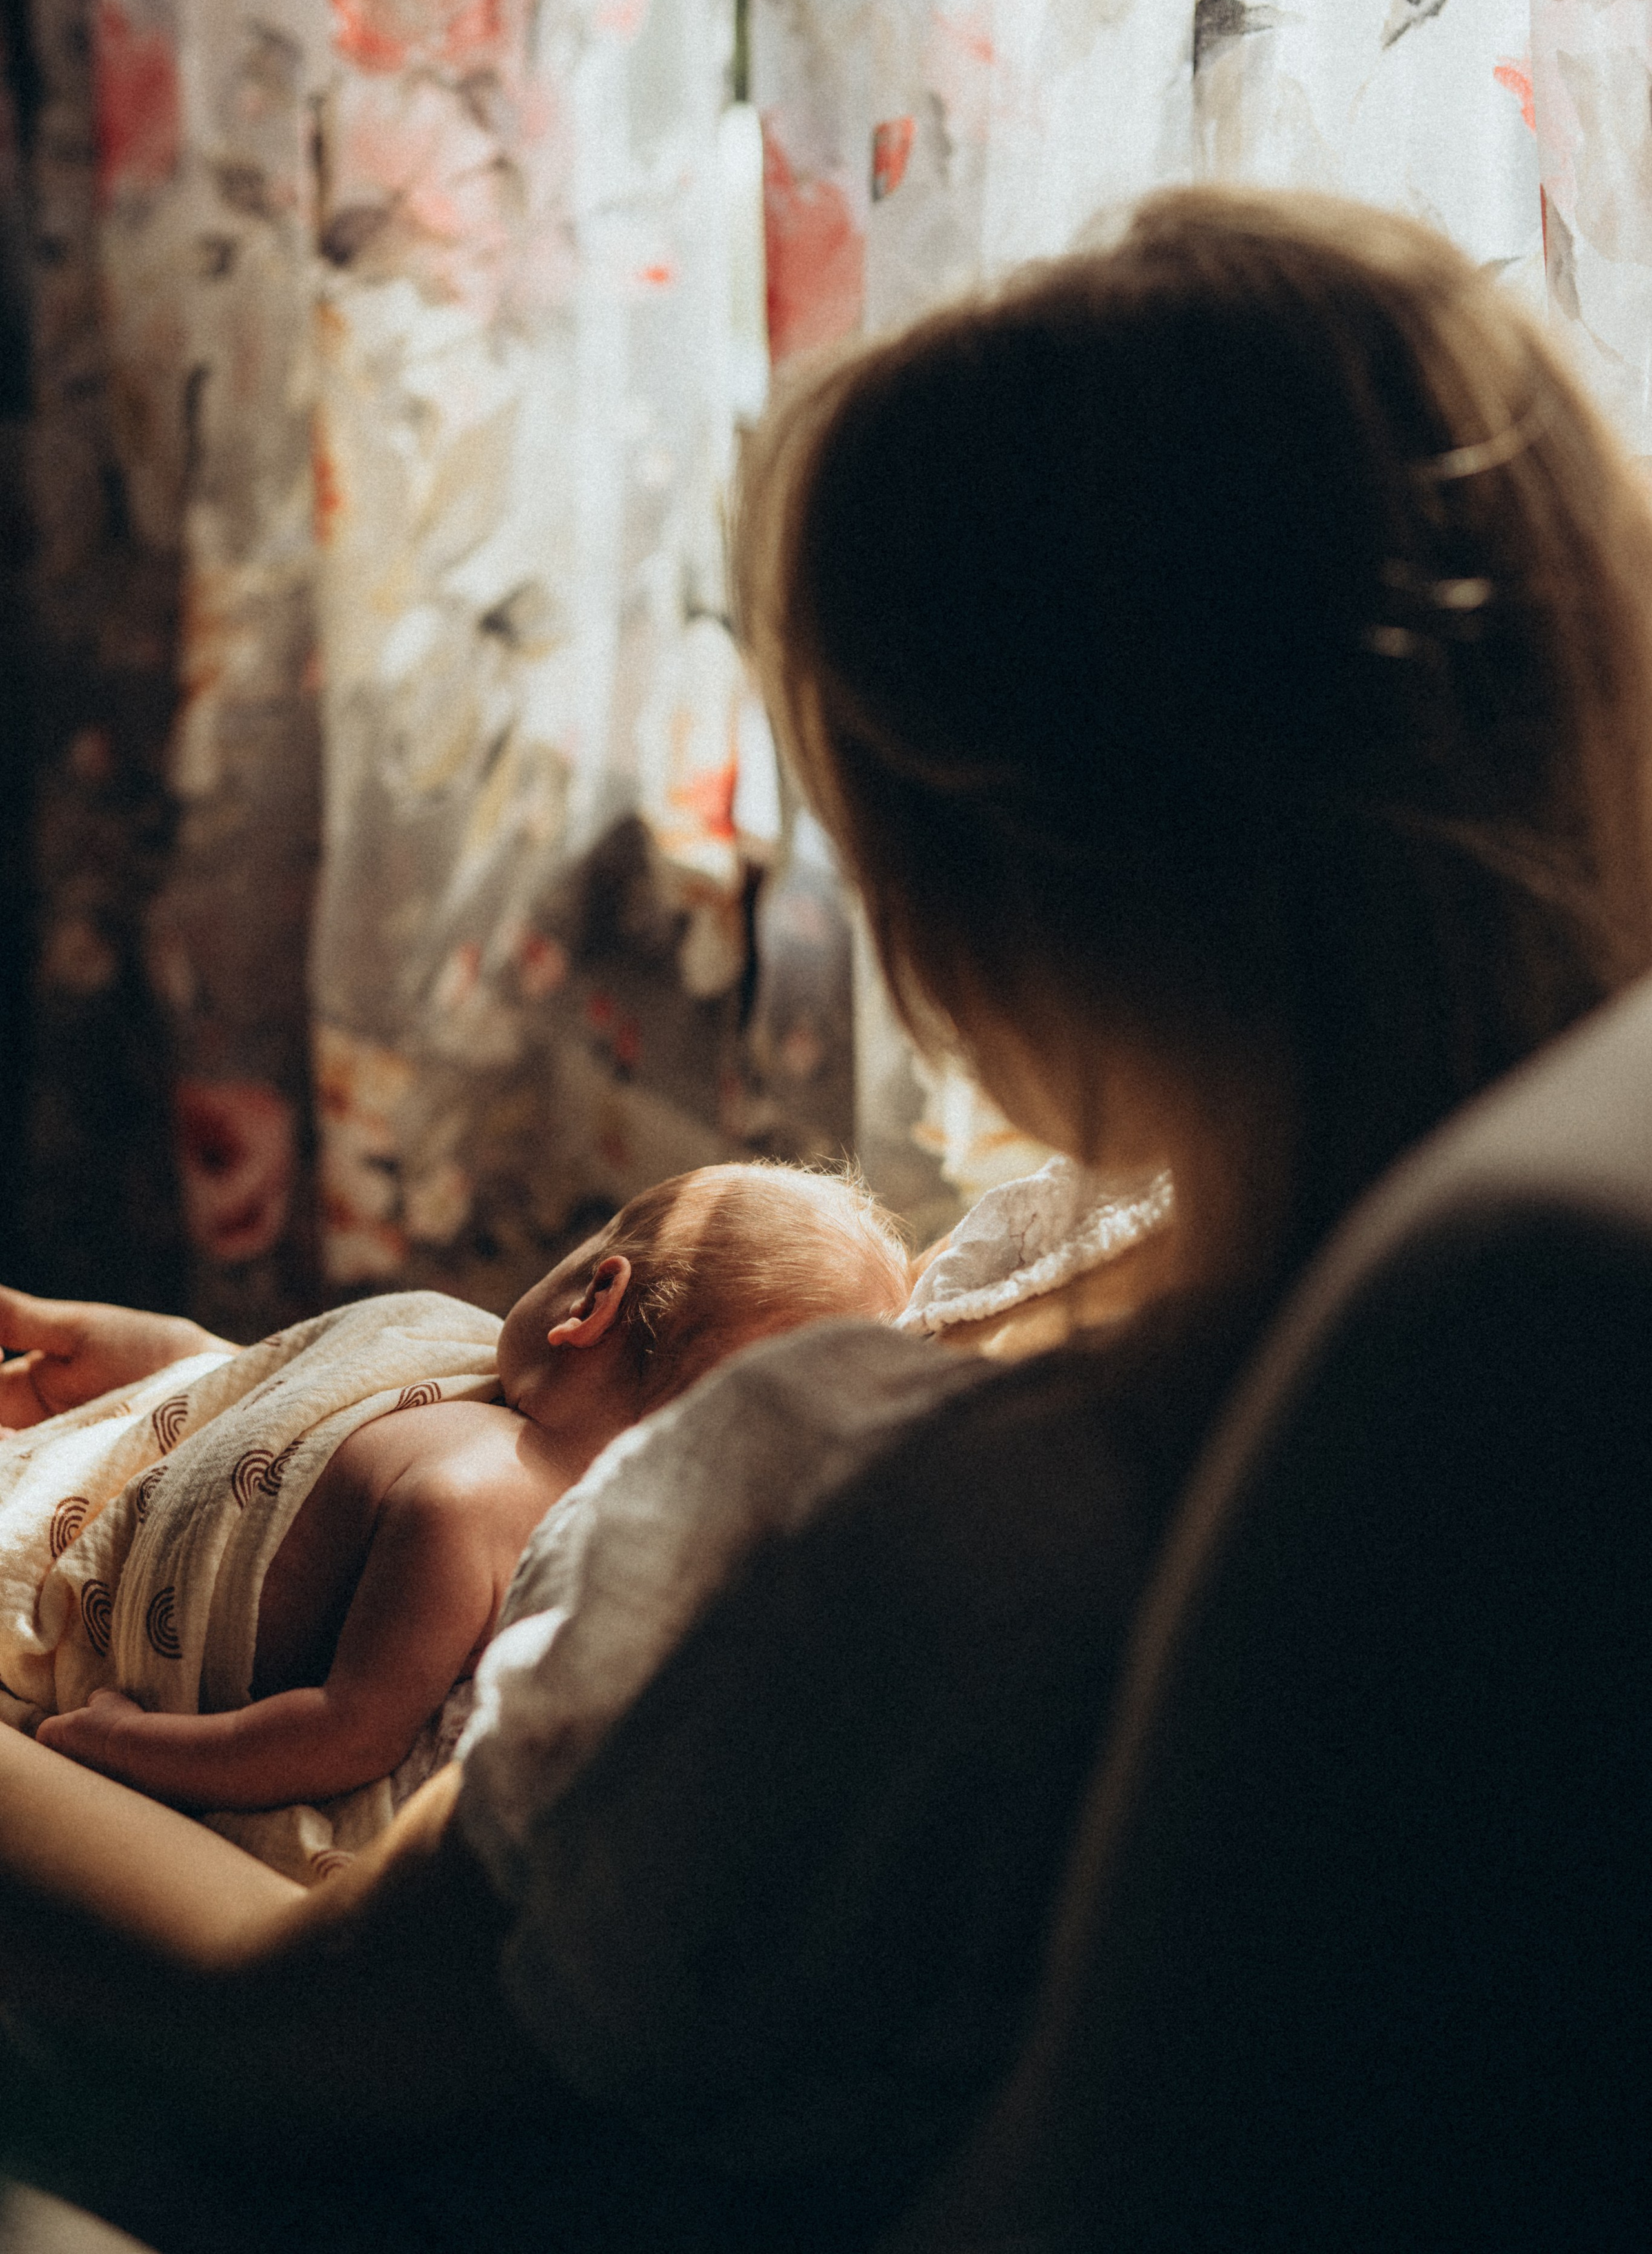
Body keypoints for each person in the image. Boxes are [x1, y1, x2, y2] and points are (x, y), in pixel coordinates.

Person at [4, 185, 1652, 2251]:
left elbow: (289, 2026)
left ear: (1007, 885)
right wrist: (229, 1401)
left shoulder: (916, 1552)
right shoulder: (1370, 1241)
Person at [3, 1164, 907, 1843]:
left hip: (72, 1608)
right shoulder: (471, 1367)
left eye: (591, 1242)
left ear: (594, 1297)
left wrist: (130, 1748)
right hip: (114, 1455)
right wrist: (150, 1357)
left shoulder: (473, 1508)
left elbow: (343, 1734)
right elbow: (293, 1399)